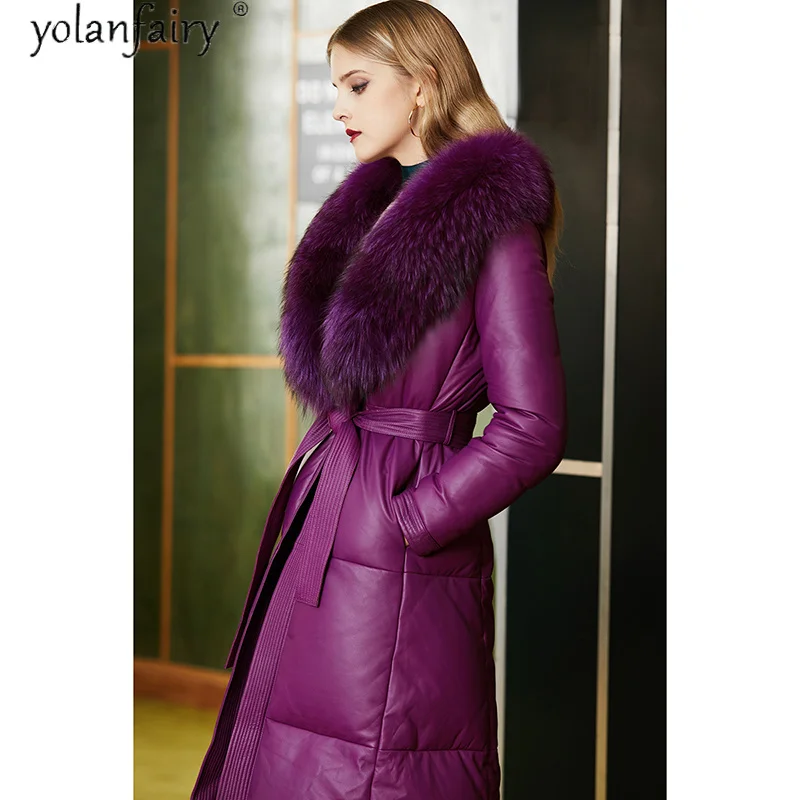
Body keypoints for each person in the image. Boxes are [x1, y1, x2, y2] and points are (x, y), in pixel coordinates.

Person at [190, 1, 567, 798]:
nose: (339, 106)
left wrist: (413, 519)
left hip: (399, 556)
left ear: (422, 84)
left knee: (380, 771)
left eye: (357, 85)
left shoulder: (493, 221)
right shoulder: (370, 211)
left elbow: (534, 424)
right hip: (327, 531)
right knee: (292, 762)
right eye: (336, 86)